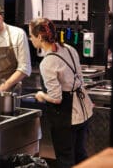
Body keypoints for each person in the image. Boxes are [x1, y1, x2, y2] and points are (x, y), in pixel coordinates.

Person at [29, 17, 93, 168]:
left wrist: (41, 95)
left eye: (31, 36)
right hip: (83, 111)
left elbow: (56, 98)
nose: (31, 39)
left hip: (66, 116)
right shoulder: (70, 49)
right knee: (81, 156)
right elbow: (80, 79)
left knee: (65, 160)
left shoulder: (48, 62)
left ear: (39, 36)